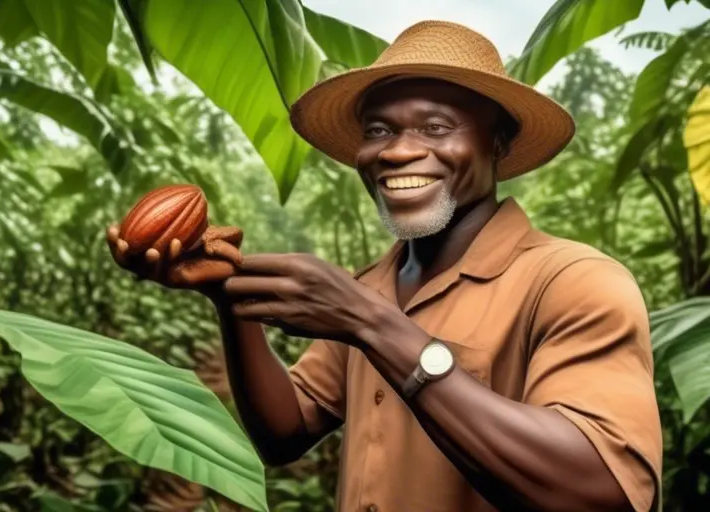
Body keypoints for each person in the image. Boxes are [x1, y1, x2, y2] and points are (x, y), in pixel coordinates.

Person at [108, 20, 663, 512]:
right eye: (378, 130)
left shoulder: (574, 280)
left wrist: (372, 325)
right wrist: (230, 300)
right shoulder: (371, 285)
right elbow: (286, 432)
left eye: (436, 127)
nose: (397, 151)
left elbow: (599, 492)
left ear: (497, 143)